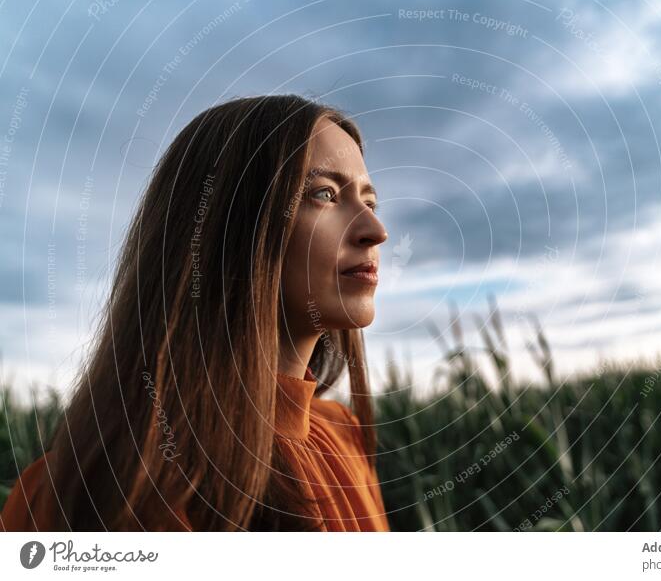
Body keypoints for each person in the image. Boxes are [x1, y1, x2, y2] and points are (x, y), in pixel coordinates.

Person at [0, 95, 391, 531]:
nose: (375, 231)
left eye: (370, 202)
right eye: (325, 194)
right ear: (227, 227)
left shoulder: (344, 439)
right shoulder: (102, 493)